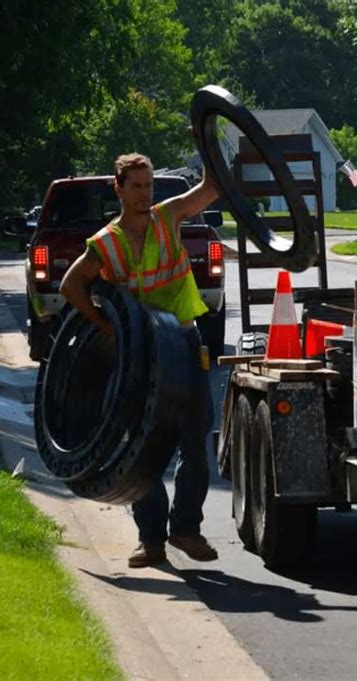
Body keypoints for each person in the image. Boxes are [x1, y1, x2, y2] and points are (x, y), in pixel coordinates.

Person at [60, 151, 220, 568]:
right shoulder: (106, 243)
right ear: (119, 188)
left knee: (195, 437)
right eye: (137, 186)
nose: (145, 194)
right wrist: (106, 327)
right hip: (142, 354)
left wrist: (209, 147)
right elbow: (70, 285)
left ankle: (186, 529)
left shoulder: (168, 217)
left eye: (149, 185)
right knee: (142, 446)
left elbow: (210, 190)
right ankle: (152, 541)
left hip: (184, 339)